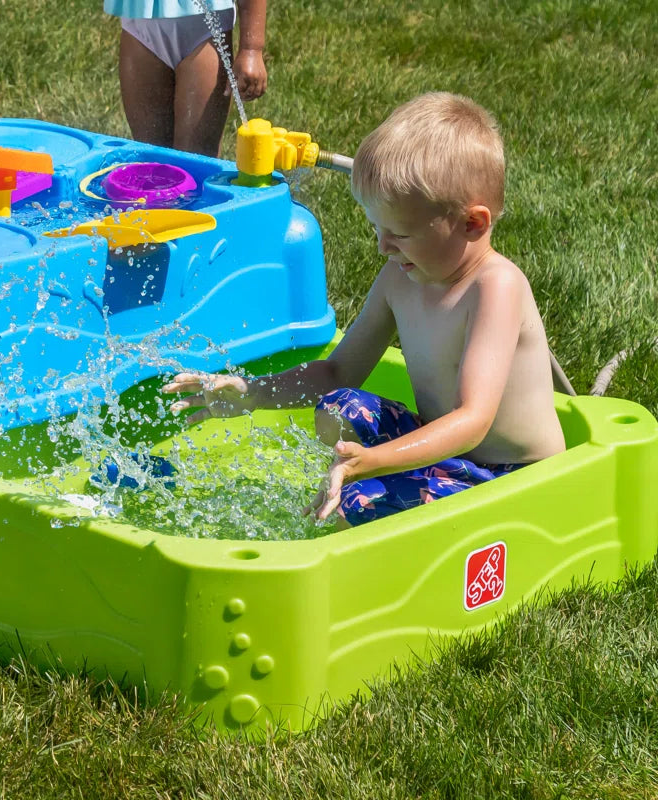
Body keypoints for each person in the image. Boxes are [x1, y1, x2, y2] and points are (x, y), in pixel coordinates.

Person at [163, 92, 566, 527]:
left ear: (473, 223)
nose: (382, 246)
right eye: (377, 228)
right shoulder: (401, 276)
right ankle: (360, 492)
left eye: (400, 234)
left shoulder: (495, 287)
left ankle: (358, 531)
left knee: (358, 502)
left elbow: (472, 421)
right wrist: (252, 393)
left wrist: (374, 460)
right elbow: (337, 373)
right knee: (339, 407)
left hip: (513, 477)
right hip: (449, 456)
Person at [104, 0, 267, 157]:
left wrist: (251, 48)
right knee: (149, 155)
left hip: (203, 31)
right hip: (139, 24)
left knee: (196, 156)